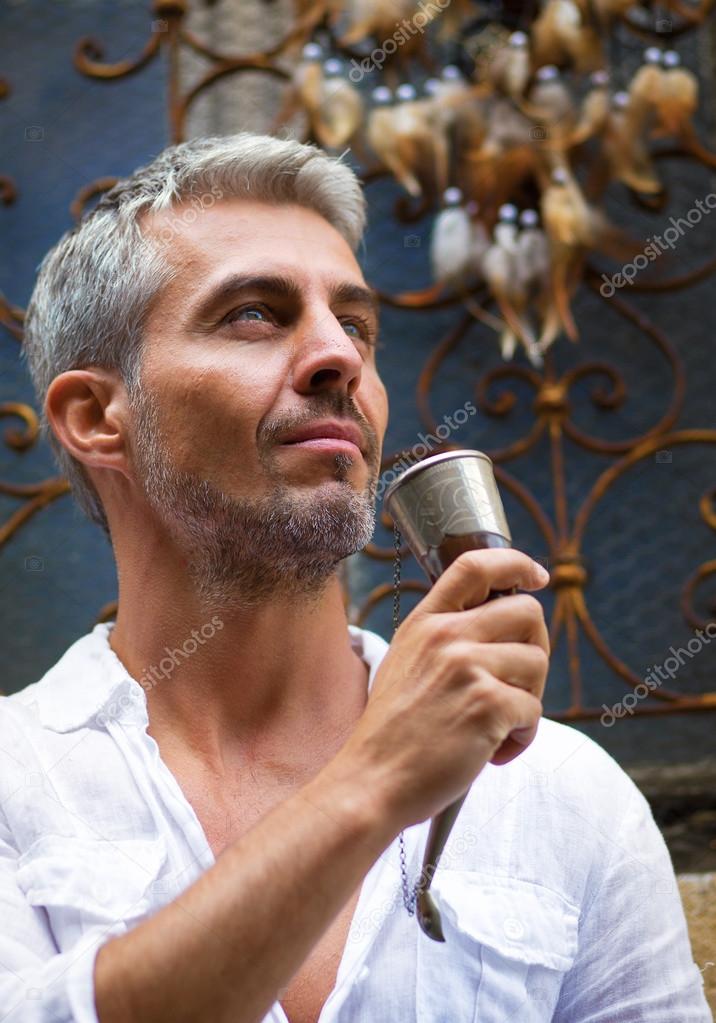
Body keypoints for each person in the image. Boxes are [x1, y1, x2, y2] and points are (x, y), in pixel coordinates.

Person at [0, 132, 710, 1023]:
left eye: (357, 324)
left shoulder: (560, 790)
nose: (340, 359)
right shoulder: (15, 781)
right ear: (99, 416)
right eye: (255, 313)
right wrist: (372, 783)